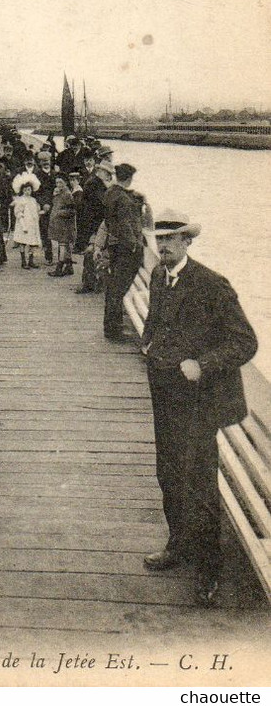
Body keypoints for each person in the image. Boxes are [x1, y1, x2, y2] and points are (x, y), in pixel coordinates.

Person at [140, 210, 257, 606]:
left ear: (188, 242)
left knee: (199, 482)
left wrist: (202, 364)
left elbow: (245, 343)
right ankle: (178, 545)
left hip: (200, 400)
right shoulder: (160, 276)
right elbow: (156, 319)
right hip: (165, 393)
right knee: (168, 472)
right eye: (159, 239)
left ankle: (209, 572)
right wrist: (148, 343)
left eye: (172, 239)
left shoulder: (212, 285)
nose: (164, 246)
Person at [102, 163, 146, 340]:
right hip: (126, 249)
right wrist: (135, 245)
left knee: (114, 288)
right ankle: (114, 330)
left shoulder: (111, 193)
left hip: (114, 245)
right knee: (119, 289)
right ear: (129, 178)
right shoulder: (124, 200)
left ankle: (111, 327)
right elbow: (126, 224)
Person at [76, 161, 114, 293]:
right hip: (94, 225)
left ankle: (93, 282)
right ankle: (90, 283)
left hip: (96, 224)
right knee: (90, 252)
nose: (109, 176)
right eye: (107, 173)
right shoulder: (94, 184)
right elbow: (99, 204)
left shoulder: (97, 183)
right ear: (101, 171)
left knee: (92, 252)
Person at [47, 171, 76, 276]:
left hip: (65, 225)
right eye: (57, 182)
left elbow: (72, 211)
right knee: (64, 246)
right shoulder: (59, 193)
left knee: (63, 246)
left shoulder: (67, 194)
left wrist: (60, 213)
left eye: (60, 182)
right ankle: (69, 267)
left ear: (66, 183)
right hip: (59, 224)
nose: (58, 185)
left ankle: (59, 268)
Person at [12, 182, 42, 269]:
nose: (27, 192)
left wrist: (39, 213)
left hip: (32, 225)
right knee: (23, 242)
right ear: (22, 191)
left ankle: (31, 260)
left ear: (31, 190)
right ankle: (23, 261)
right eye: (25, 190)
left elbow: (35, 211)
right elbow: (18, 212)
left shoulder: (33, 200)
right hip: (24, 224)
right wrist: (23, 225)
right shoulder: (20, 200)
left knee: (32, 243)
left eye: (29, 190)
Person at [34, 150, 55, 264]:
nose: (46, 163)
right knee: (45, 232)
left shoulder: (54, 174)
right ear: (40, 163)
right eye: (43, 161)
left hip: (54, 205)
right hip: (43, 207)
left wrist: (51, 203)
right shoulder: (37, 175)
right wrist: (43, 204)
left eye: (47, 161)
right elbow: (36, 192)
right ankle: (48, 255)